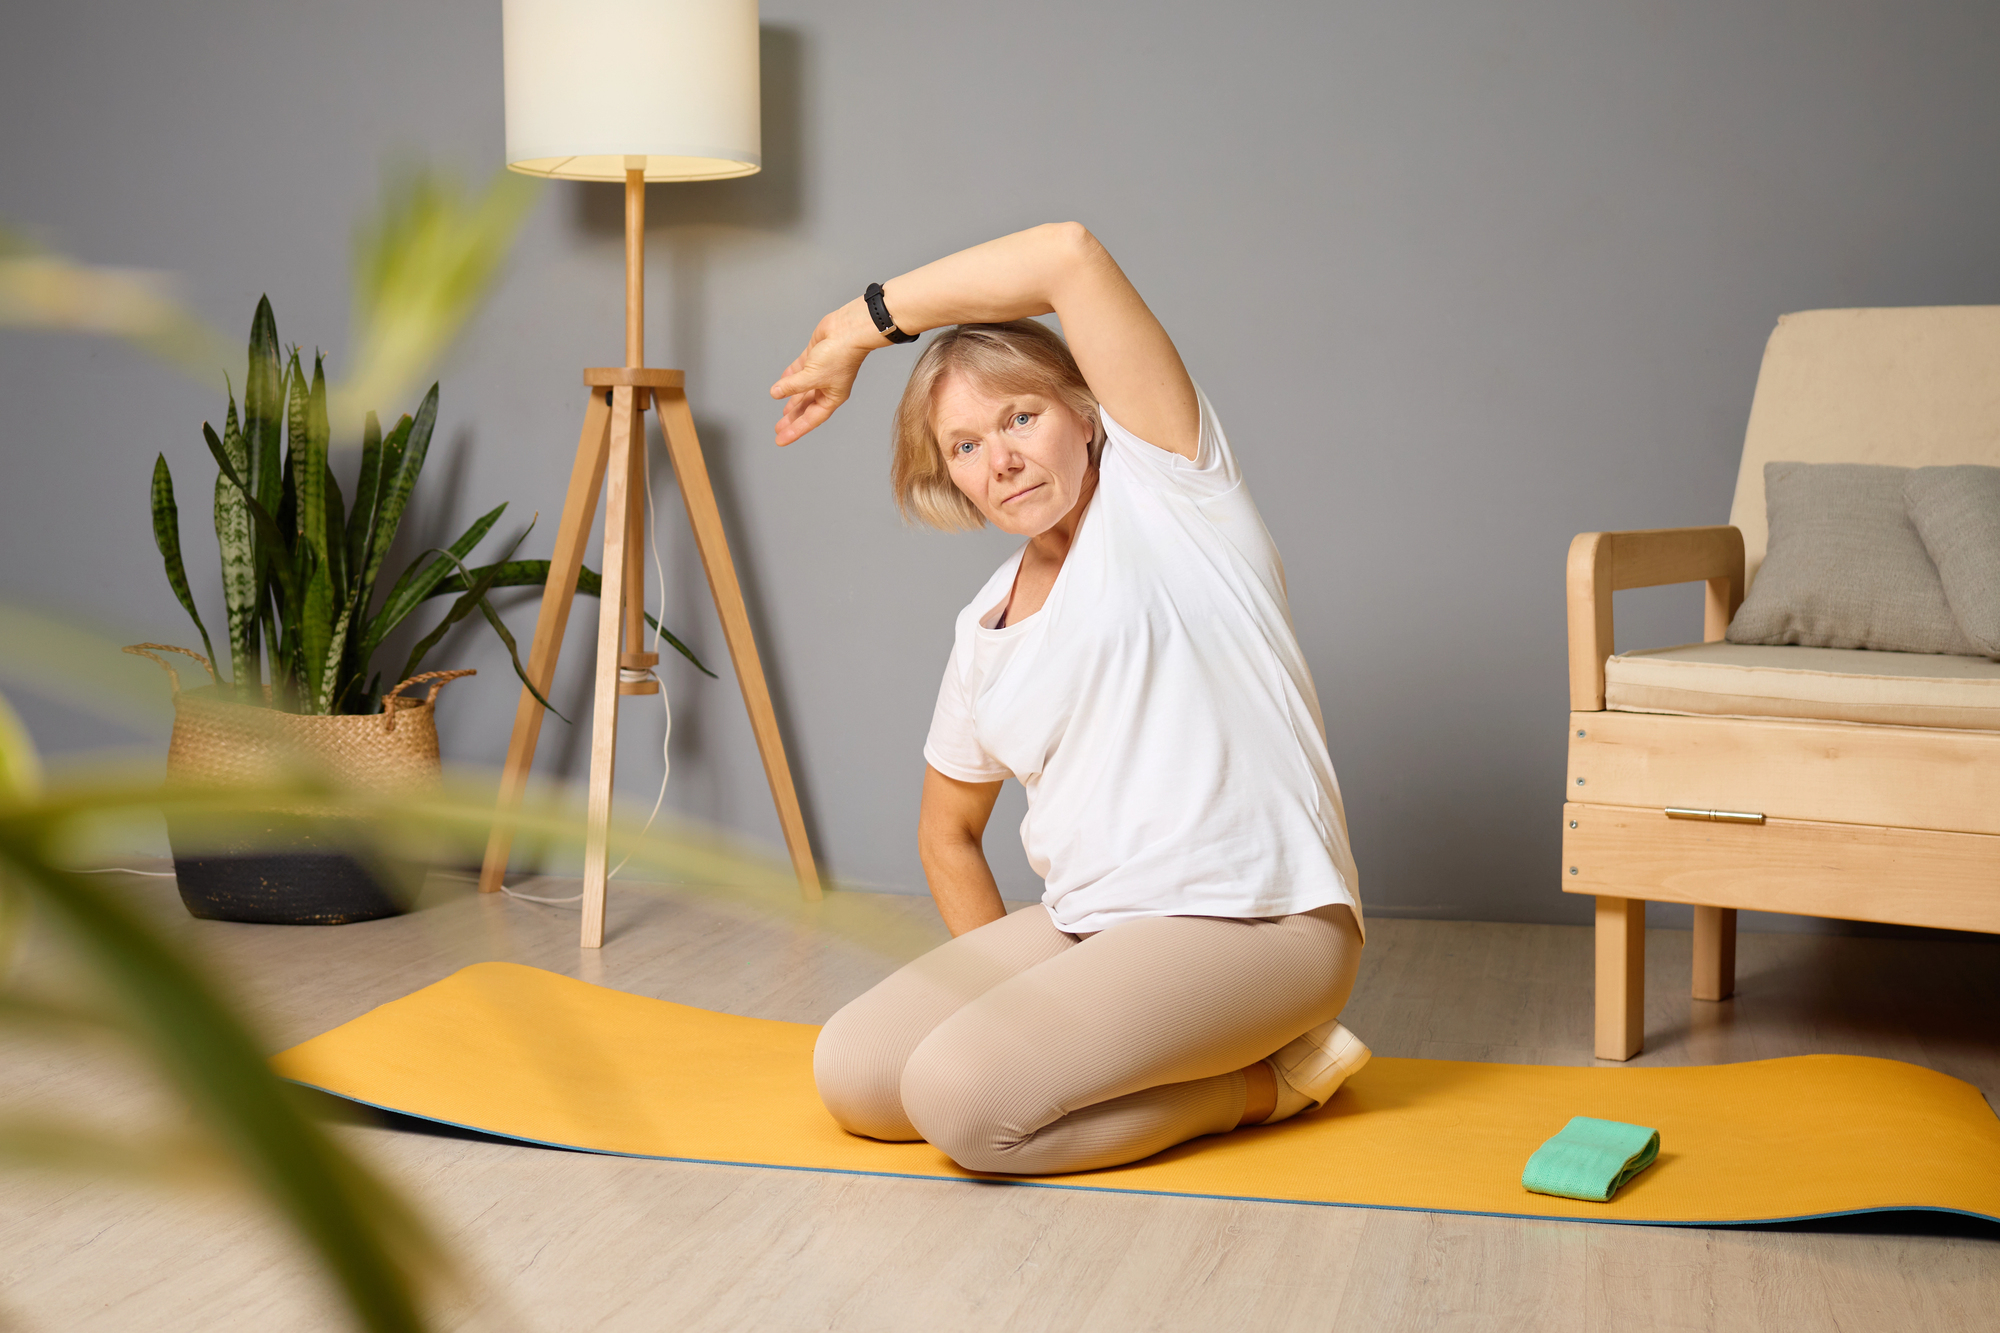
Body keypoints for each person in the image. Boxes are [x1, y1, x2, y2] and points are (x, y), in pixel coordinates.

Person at [770, 222, 1367, 1176]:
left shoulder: (1174, 494)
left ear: (1086, 412)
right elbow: (946, 831)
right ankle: (1052, 1051)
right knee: (859, 1074)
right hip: (1093, 925)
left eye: (1019, 419)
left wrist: (855, 328)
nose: (998, 460)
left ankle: (1272, 1080)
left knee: (964, 1105)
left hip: (1264, 924)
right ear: (949, 476)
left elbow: (1066, 255)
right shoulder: (983, 628)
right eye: (964, 444)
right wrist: (1002, 1007)